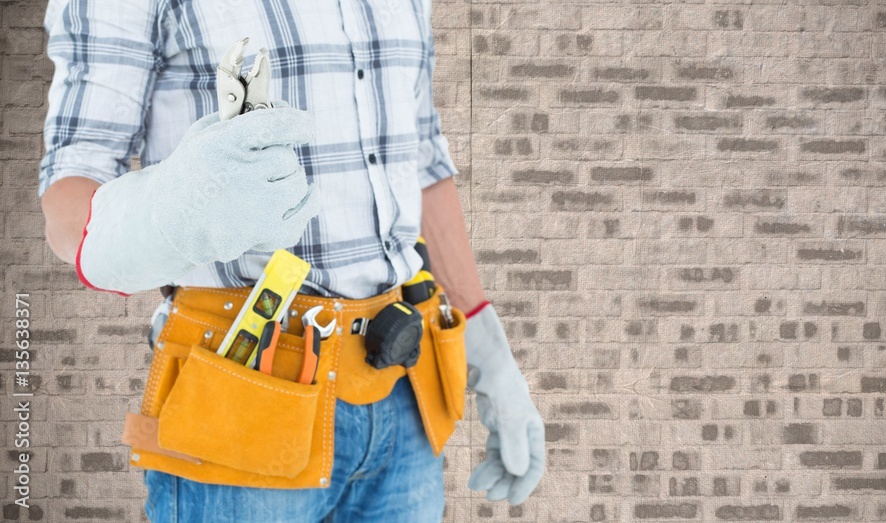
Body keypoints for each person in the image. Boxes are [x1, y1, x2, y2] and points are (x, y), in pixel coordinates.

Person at [38, 0, 544, 521]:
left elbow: (423, 159)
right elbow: (70, 195)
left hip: (403, 400)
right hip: (243, 402)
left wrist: (490, 354)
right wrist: (169, 211)